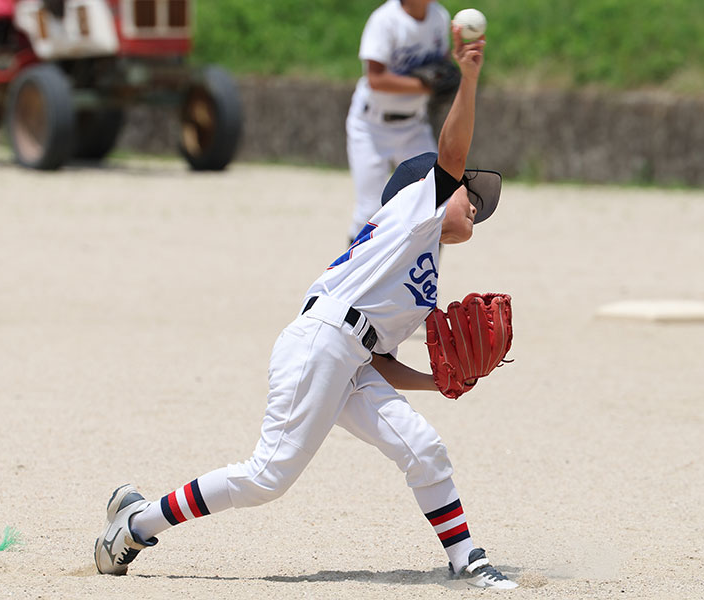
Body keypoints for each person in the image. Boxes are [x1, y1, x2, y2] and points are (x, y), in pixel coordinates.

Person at [94, 26, 517, 590]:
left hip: (350, 357)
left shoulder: (419, 268)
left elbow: (380, 361)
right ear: (434, 188)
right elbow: (451, 153)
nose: (475, 205)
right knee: (267, 477)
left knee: (424, 448)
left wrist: (436, 383)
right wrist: (467, 78)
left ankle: (466, 557)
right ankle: (136, 523)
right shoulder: (416, 211)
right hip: (321, 342)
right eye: (469, 192)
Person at [345, 0, 452, 243]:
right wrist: (426, 86)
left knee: (435, 202)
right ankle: (352, 279)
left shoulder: (439, 16)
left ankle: (421, 278)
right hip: (371, 127)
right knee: (369, 212)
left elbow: (441, 62)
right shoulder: (385, 20)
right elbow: (375, 78)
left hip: (414, 126)